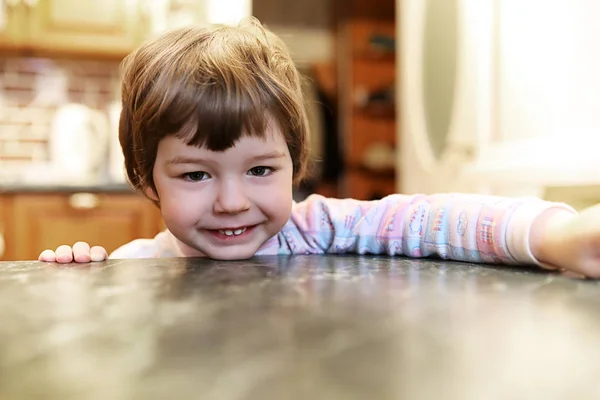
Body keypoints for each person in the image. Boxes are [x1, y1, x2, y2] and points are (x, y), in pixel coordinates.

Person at [38, 17, 600, 278]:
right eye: (196, 175)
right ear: (146, 178)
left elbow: (433, 219)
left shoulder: (318, 226)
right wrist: (82, 275)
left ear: (295, 163)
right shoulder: (137, 269)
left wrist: (555, 235)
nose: (233, 201)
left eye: (260, 169)